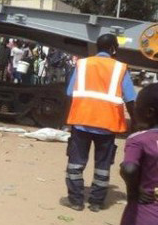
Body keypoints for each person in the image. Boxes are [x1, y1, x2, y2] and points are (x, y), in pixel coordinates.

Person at [62, 33, 137, 212]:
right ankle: (96, 202)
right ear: (112, 48)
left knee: (75, 164)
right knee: (102, 167)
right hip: (107, 125)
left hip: (81, 121)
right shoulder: (120, 68)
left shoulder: (83, 64)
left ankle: (76, 201)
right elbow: (130, 99)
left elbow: (69, 94)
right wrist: (136, 122)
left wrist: (65, 120)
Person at [120, 84, 158, 225]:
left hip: (146, 213)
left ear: (149, 112)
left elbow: (129, 169)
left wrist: (134, 192)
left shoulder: (139, 140)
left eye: (136, 106)